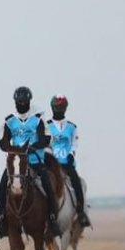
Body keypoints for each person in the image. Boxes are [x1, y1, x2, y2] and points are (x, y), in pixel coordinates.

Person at [0, 86, 61, 239]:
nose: (22, 105)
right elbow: (2, 141)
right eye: (19, 102)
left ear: (29, 102)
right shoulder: (9, 120)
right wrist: (11, 149)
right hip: (16, 163)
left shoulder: (38, 117)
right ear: (15, 102)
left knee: (48, 186)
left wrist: (33, 147)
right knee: (2, 187)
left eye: (24, 102)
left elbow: (46, 138)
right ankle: (2, 221)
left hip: (35, 160)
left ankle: (52, 220)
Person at [47, 95, 91, 227]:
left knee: (77, 182)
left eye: (61, 108)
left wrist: (71, 153)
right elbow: (44, 142)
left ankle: (81, 213)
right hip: (51, 164)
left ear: (65, 108)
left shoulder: (72, 127)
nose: (58, 110)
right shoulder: (46, 126)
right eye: (56, 107)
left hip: (67, 163)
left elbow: (75, 143)